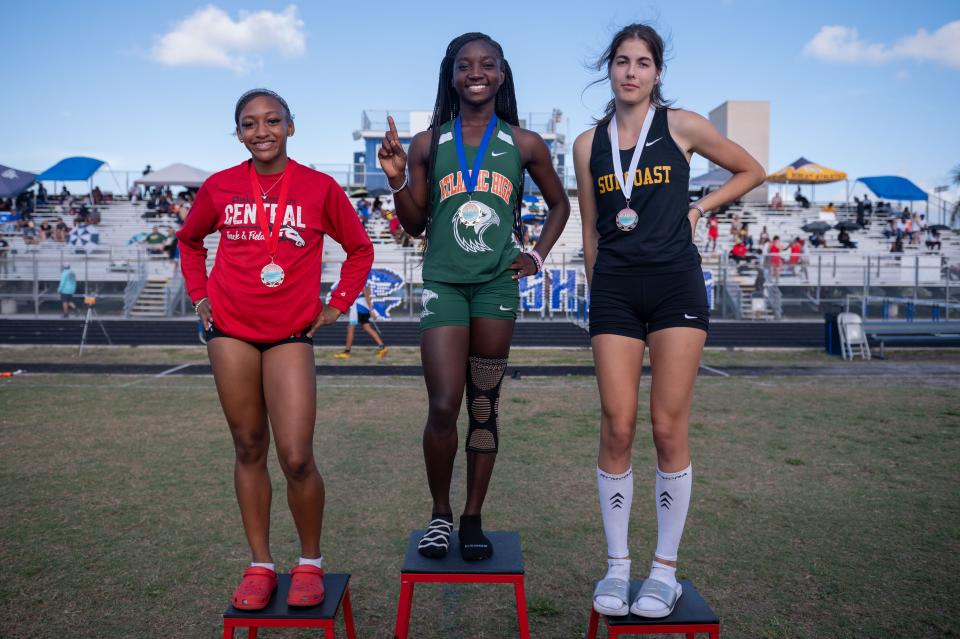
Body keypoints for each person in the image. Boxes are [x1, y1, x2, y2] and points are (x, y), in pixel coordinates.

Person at [573, 24, 764, 619]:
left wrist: (700, 207)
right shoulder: (586, 144)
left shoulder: (680, 126)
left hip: (675, 285)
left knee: (666, 425)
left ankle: (664, 571)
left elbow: (751, 169)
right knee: (617, 424)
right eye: (623, 61)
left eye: (644, 63)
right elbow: (589, 226)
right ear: (609, 69)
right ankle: (617, 566)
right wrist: (596, 284)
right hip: (616, 291)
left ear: (657, 73)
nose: (632, 72)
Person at [176, 88, 374, 611]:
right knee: (247, 446)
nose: (261, 131)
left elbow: (360, 248)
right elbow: (190, 241)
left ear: (291, 125)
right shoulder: (219, 187)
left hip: (290, 333)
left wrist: (335, 306)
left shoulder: (319, 187)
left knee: (296, 455)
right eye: (249, 123)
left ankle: (309, 562)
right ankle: (261, 563)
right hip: (231, 331)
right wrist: (199, 296)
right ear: (238, 132)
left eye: (272, 120)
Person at [378, 32, 570, 562]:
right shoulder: (426, 143)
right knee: (444, 405)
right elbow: (415, 225)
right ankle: (439, 516)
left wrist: (536, 256)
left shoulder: (525, 143)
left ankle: (471, 518)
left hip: (495, 286)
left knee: (483, 405)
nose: (476, 72)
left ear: (502, 75)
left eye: (487, 64)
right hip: (443, 281)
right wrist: (396, 179)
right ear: (452, 75)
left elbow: (560, 206)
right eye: (466, 65)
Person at [334, 281, 388, 359]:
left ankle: (347, 352)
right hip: (364, 307)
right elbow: (368, 294)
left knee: (350, 329)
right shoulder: (365, 281)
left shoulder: (359, 280)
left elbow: (366, 294)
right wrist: (370, 309)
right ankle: (382, 347)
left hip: (358, 307)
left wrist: (372, 310)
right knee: (367, 327)